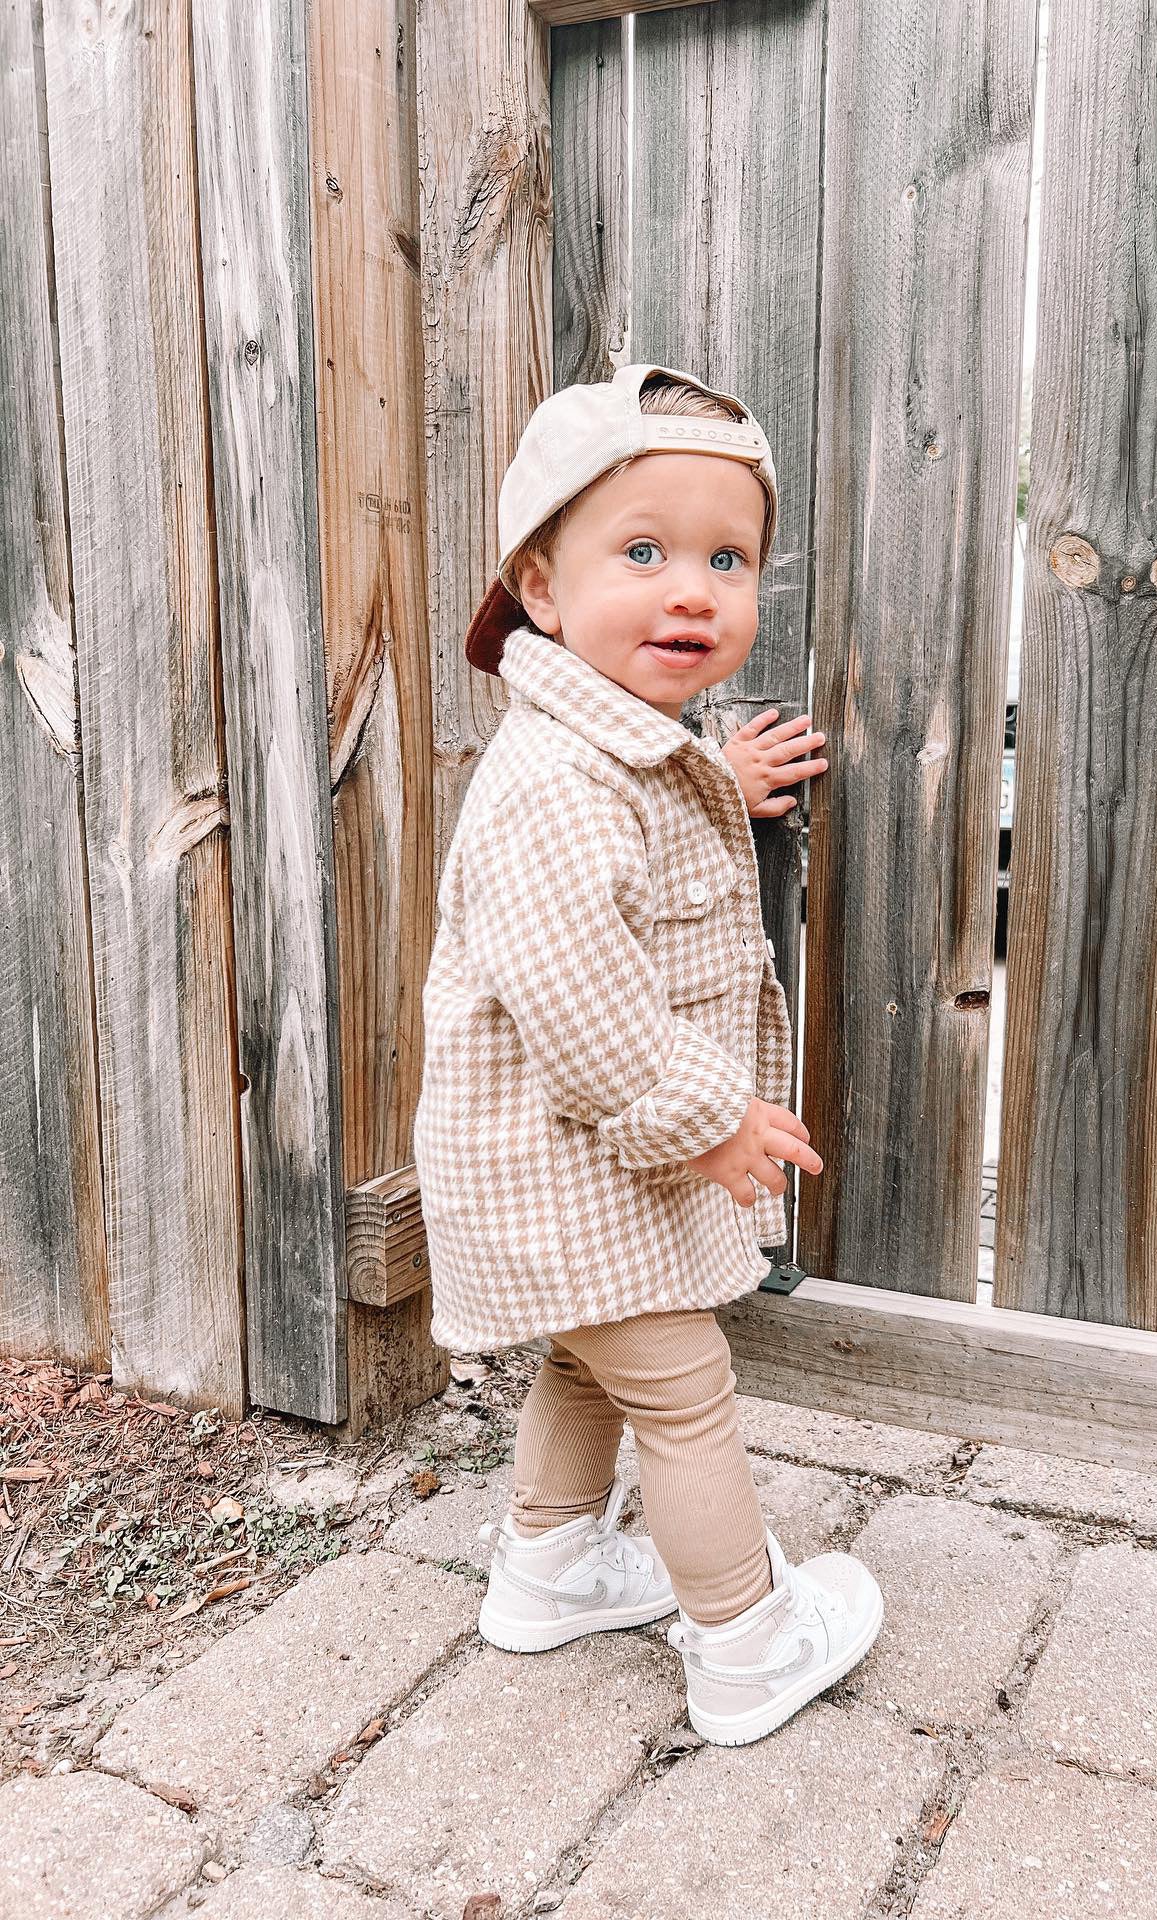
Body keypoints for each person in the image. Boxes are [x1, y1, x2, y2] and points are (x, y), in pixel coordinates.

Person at [414, 362, 884, 1747]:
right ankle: (745, 1643)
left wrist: (716, 785)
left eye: (727, 560)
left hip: (575, 1180)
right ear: (541, 588)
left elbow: (635, 837)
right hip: (577, 1163)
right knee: (684, 1399)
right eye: (642, 552)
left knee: (588, 1361)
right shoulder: (554, 789)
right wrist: (709, 1120)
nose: (692, 591)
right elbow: (586, 1012)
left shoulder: (615, 759)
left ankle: (546, 1570)